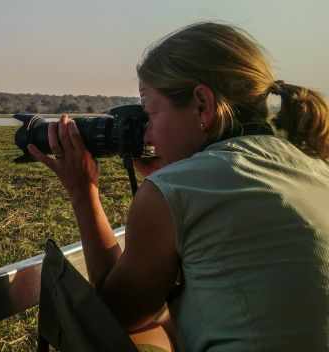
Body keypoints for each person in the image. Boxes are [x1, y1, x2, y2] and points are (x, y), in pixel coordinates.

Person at [28, 22, 329, 351]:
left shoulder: (175, 189)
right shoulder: (315, 169)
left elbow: (114, 318)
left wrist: (83, 192)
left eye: (150, 114)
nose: (147, 135)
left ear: (202, 104)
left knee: (144, 336)